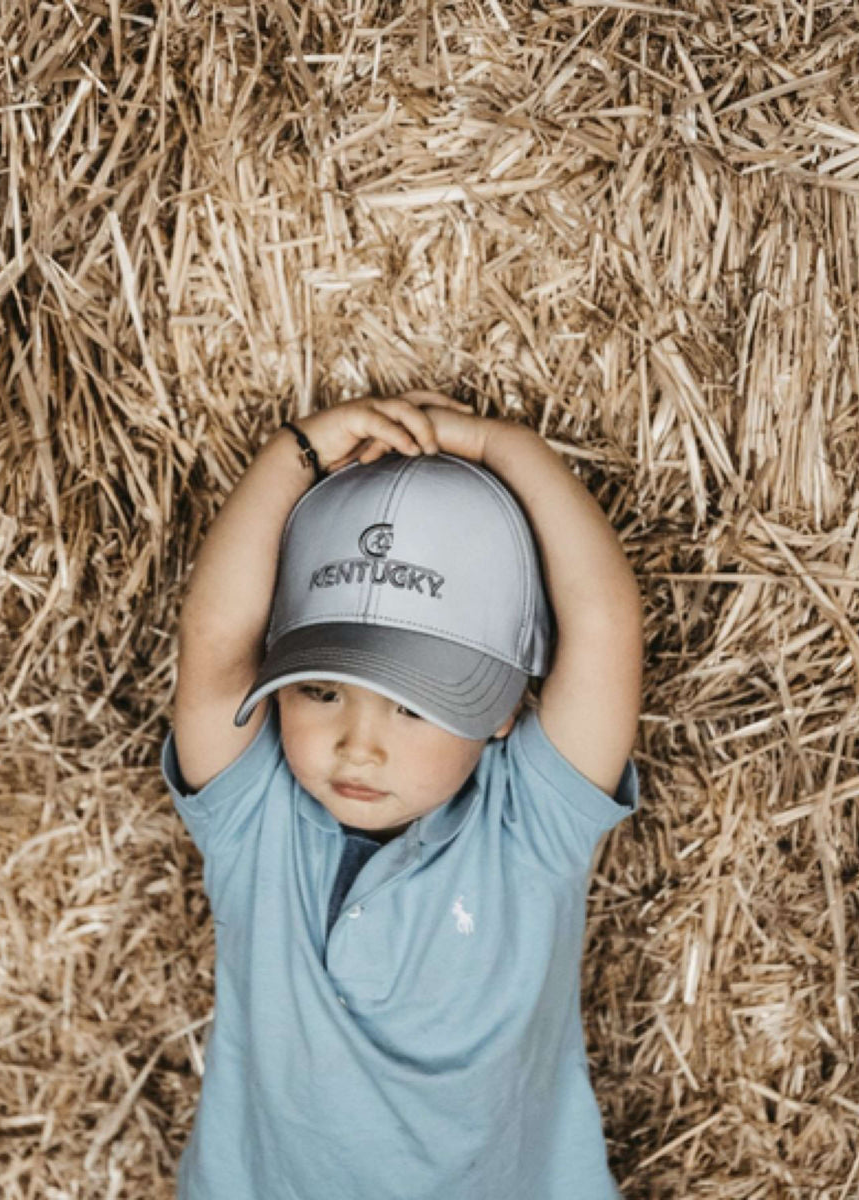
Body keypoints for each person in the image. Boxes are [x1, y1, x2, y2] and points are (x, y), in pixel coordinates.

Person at [161, 392, 642, 1199]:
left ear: (502, 711)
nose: (358, 743)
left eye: (415, 706)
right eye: (319, 691)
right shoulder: (253, 821)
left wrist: (505, 447)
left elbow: (604, 622)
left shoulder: (531, 830)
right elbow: (215, 641)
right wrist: (292, 457)